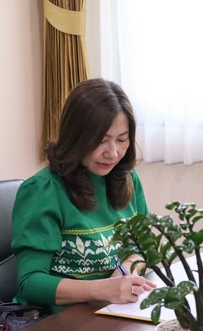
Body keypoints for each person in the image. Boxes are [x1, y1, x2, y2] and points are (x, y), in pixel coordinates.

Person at [11, 78, 155, 314]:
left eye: (122, 139)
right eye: (101, 141)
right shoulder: (44, 190)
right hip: (55, 321)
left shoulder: (127, 179)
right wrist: (104, 289)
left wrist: (127, 269)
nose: (113, 153)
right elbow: (30, 282)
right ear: (75, 136)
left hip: (111, 312)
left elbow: (143, 248)